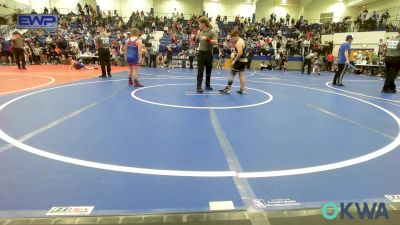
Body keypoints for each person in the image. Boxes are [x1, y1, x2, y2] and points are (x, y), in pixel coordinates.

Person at [219, 31, 247, 95]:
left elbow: (240, 53)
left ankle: (228, 89)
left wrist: (234, 60)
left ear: (236, 35)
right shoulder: (241, 40)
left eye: (233, 38)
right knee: (241, 75)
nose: (232, 39)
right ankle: (242, 90)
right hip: (244, 60)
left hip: (239, 61)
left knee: (232, 74)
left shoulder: (238, 43)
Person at [196, 16, 217, 93]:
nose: (199, 25)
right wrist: (194, 37)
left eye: (199, 24)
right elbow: (196, 41)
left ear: (203, 24)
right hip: (201, 53)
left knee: (208, 71)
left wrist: (207, 39)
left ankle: (207, 85)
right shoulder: (200, 32)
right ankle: (199, 87)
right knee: (200, 71)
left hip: (208, 53)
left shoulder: (212, 32)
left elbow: (215, 42)